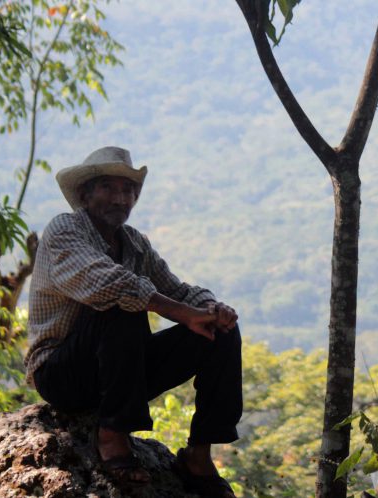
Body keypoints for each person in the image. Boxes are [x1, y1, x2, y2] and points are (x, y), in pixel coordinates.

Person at [24, 146, 241, 497]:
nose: (120, 198)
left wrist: (212, 309)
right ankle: (112, 434)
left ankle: (198, 455)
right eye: (108, 188)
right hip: (63, 373)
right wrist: (182, 313)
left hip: (122, 369)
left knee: (221, 333)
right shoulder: (65, 229)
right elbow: (109, 284)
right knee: (121, 303)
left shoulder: (135, 243)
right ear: (85, 194)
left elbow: (177, 289)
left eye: (128, 190)